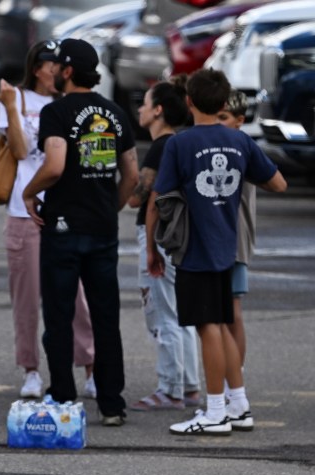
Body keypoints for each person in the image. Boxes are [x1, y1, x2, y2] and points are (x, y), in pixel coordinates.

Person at [149, 69, 286, 435]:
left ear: (189, 101)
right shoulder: (239, 141)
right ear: (224, 102)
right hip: (227, 245)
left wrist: (151, 245)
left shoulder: (179, 144)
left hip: (195, 246)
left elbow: (160, 195)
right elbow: (278, 183)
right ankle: (238, 403)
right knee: (222, 323)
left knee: (207, 326)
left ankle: (215, 412)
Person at [21, 38, 138, 426]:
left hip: (63, 229)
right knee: (105, 317)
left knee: (59, 316)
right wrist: (109, 208)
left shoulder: (56, 112)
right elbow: (132, 175)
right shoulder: (116, 112)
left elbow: (55, 164)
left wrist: (29, 192)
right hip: (102, 229)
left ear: (68, 71)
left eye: (58, 66)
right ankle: (112, 404)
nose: (54, 71)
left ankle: (63, 397)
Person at [0, 41, 96, 400]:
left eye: (62, 65)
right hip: (23, 212)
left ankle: (90, 365)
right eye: (52, 64)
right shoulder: (16, 99)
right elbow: (21, 150)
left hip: (63, 210)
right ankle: (31, 369)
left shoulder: (69, 102)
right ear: (38, 68)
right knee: (26, 298)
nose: (58, 70)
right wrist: (11, 107)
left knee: (78, 296)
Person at [128, 77, 202, 411]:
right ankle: (188, 386)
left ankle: (170, 388)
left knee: (160, 314)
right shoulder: (182, 143)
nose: (140, 110)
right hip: (177, 237)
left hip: (156, 237)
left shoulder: (161, 147)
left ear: (158, 110)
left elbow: (137, 198)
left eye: (145, 103)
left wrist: (127, 171)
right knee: (179, 312)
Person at [216, 89, 256, 377]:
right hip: (222, 237)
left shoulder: (240, 146)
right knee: (221, 313)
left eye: (223, 117)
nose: (217, 123)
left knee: (232, 312)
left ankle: (235, 378)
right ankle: (229, 378)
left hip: (235, 237)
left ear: (240, 120)